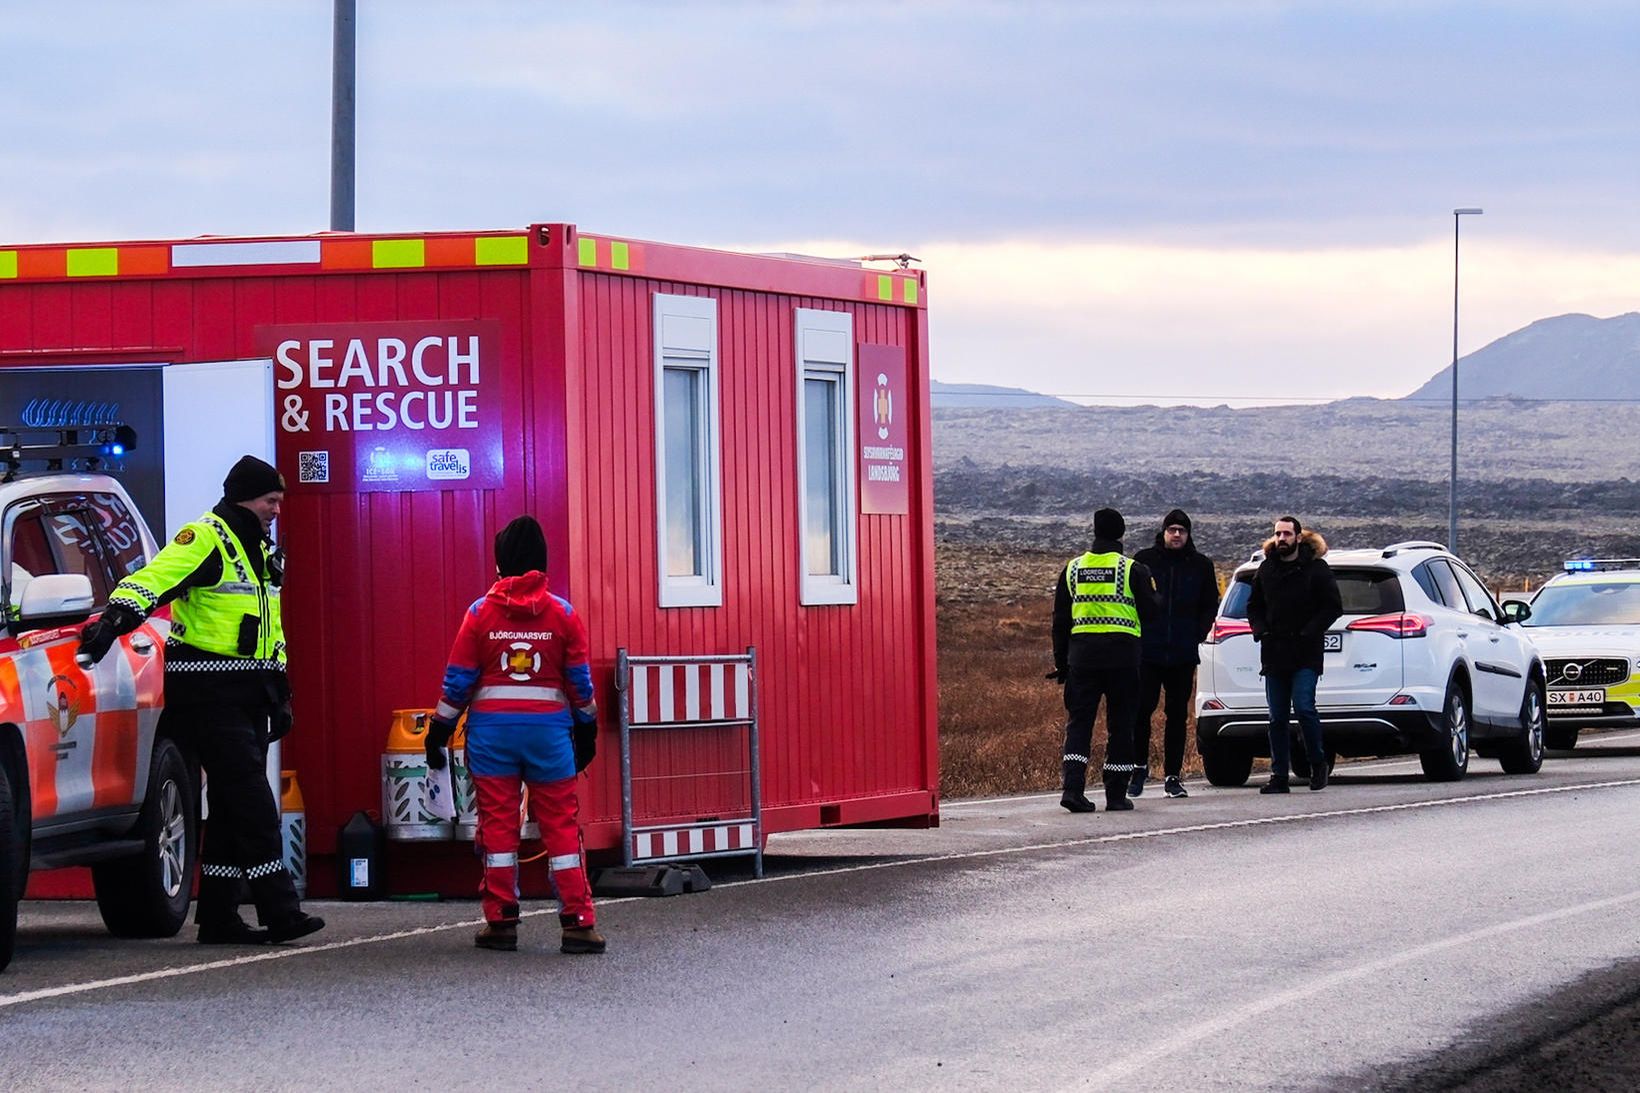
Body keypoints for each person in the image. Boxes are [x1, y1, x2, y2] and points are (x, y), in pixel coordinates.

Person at [77, 455, 324, 945]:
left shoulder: (257, 547)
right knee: (253, 800)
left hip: (251, 691)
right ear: (245, 498)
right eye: (271, 501)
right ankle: (281, 909)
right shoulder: (206, 537)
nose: (277, 509)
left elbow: (266, 630)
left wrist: (281, 695)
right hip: (209, 691)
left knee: (234, 806)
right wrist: (112, 623)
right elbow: (152, 580)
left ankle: (219, 918)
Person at [424, 516, 604, 954]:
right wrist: (588, 728)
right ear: (542, 562)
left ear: (501, 562)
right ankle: (578, 923)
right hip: (549, 739)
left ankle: (501, 920)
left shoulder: (479, 614)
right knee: (560, 827)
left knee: (498, 830)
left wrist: (439, 730)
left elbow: (458, 682)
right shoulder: (562, 615)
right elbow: (580, 684)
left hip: (492, 739)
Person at [1050, 507, 1159, 813]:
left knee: (1079, 724)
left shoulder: (1072, 569)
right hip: (1123, 659)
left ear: (1095, 531)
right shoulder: (1132, 569)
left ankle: (1072, 789)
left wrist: (1062, 663)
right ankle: (1115, 794)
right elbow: (1151, 613)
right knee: (1121, 725)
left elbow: (1060, 620)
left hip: (1082, 658)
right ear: (1121, 533)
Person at [1246, 515, 1342, 793]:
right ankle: (1279, 776)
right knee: (1276, 716)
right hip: (1274, 654)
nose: (1282, 539)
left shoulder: (1316, 570)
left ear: (1299, 537)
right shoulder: (1266, 570)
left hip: (1305, 653)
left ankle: (1317, 763)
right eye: (1278, 534)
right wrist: (1260, 630)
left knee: (1303, 707)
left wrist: (1310, 631)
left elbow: (1332, 607)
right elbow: (1254, 606)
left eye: (1287, 534)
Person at [1132, 508, 1219, 799]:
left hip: (1182, 654)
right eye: (1172, 530)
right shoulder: (1144, 562)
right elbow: (1132, 600)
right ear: (1164, 532)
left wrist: (1197, 632)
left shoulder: (1201, 565)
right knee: (1141, 711)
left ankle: (1172, 776)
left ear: (1188, 534)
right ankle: (1137, 770)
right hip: (1148, 652)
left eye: (1182, 530)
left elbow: (1210, 603)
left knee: (1177, 715)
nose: (1177, 535)